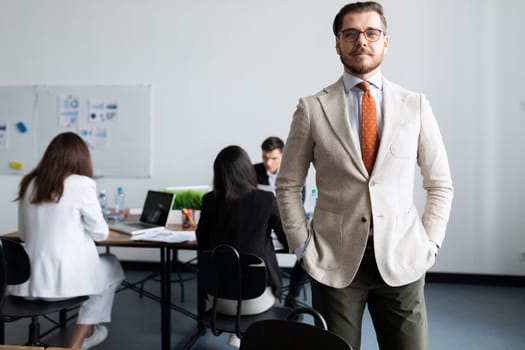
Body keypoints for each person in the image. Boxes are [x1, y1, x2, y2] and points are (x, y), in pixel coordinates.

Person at [275, 2, 453, 350]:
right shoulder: (313, 108)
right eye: (351, 33)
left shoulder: (414, 105)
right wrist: (301, 246)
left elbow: (440, 183)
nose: (362, 41)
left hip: (403, 258)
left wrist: (429, 243)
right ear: (337, 43)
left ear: (386, 41)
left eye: (372, 33)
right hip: (334, 262)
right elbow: (288, 185)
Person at [11, 132, 124, 350]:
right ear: (81, 158)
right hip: (63, 285)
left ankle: (89, 330)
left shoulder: (29, 182)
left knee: (101, 270)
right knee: (111, 265)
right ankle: (77, 342)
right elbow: (101, 234)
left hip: (27, 284)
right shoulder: (82, 184)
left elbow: (24, 234)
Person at [196, 145, 289, 347]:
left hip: (218, 297)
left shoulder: (210, 201)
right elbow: (287, 239)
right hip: (257, 299)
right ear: (249, 170)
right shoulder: (266, 199)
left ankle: (239, 334)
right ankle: (244, 335)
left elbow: (202, 242)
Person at [253, 136, 308, 308]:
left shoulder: (293, 175)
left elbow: (298, 206)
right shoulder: (252, 172)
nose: (268, 163)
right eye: (265, 157)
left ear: (283, 156)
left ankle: (291, 295)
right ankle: (260, 292)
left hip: (284, 227)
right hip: (259, 228)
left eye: (274, 158)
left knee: (305, 254)